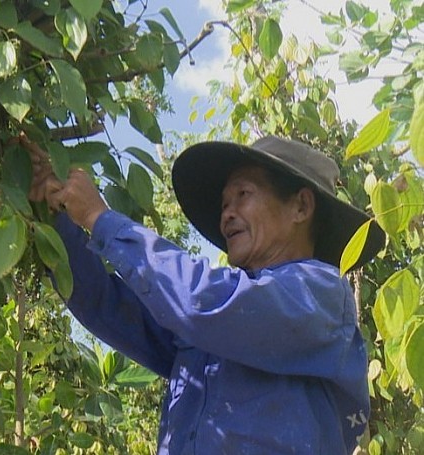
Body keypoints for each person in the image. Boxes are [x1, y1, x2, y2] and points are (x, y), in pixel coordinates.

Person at [21, 134, 386, 454]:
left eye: (243, 194)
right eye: (225, 204)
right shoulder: (215, 321)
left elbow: (203, 303)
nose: (227, 214)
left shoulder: (320, 296)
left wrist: (102, 219)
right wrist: (56, 213)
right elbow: (106, 304)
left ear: (301, 207)